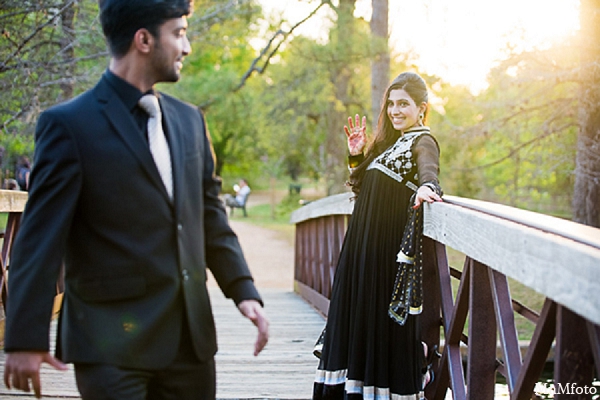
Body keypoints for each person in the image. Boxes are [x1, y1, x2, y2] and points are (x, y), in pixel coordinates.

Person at [3, 1, 269, 399]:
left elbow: (210, 217)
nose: (187, 46)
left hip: (190, 343)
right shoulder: (69, 126)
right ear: (143, 40)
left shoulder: (189, 122)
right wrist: (24, 337)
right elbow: (40, 239)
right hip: (109, 345)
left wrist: (244, 290)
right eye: (178, 33)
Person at [313, 71, 443, 399]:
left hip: (386, 249)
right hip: (361, 246)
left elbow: (429, 168)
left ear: (422, 108)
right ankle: (351, 389)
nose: (395, 111)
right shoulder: (388, 144)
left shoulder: (422, 140)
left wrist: (428, 185)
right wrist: (356, 153)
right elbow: (360, 187)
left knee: (381, 322)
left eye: (404, 104)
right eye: (391, 105)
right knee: (358, 316)